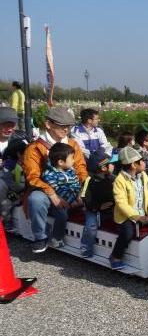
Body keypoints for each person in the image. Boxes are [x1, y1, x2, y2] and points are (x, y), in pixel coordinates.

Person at [24, 107, 87, 253]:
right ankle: (40, 236)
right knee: (36, 199)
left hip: (70, 189)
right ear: (48, 124)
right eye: (62, 125)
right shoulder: (35, 148)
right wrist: (52, 194)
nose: (66, 129)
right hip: (44, 190)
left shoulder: (73, 144)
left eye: (68, 126)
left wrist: (80, 190)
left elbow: (81, 169)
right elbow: (33, 177)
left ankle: (57, 235)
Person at [110, 146, 148, 270]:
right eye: (142, 161)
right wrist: (136, 217)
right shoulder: (119, 181)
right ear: (133, 164)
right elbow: (121, 203)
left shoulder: (143, 176)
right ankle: (116, 256)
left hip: (144, 214)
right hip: (126, 217)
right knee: (127, 233)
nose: (144, 163)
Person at [41, 143, 83, 249]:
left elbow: (76, 185)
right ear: (60, 162)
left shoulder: (71, 171)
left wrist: (78, 197)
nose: (74, 161)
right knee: (62, 214)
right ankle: (56, 238)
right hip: (58, 204)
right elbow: (55, 191)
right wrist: (68, 202)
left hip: (73, 200)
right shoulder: (49, 174)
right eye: (72, 158)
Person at [79, 150, 117, 258]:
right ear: (103, 168)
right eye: (111, 164)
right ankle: (86, 246)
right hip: (93, 209)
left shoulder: (113, 178)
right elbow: (85, 197)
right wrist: (98, 207)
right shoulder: (89, 180)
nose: (113, 165)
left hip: (111, 208)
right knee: (91, 226)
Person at [0, 139, 27, 230]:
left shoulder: (8, 163)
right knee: (7, 203)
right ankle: (6, 222)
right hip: (12, 194)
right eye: (25, 153)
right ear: (19, 154)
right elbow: (17, 186)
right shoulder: (13, 166)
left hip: (11, 192)